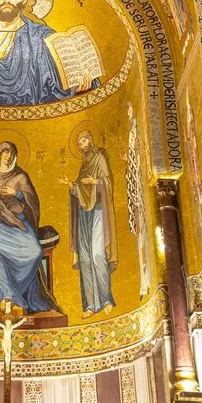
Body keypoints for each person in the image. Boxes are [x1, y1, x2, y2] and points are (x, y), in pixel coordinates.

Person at [0, 141, 58, 315]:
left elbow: (33, 203)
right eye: (5, 152)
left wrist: (18, 194)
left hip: (18, 221)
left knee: (34, 251)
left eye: (11, 153)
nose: (8, 156)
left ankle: (16, 289)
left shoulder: (21, 177)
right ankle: (5, 294)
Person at [69, 130, 115, 314]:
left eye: (85, 139)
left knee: (97, 254)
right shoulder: (82, 168)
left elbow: (108, 182)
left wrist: (95, 181)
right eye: (79, 141)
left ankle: (106, 299)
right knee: (85, 259)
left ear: (91, 140)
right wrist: (72, 186)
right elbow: (80, 192)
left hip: (97, 210)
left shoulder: (100, 157)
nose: (82, 143)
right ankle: (89, 305)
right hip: (83, 214)